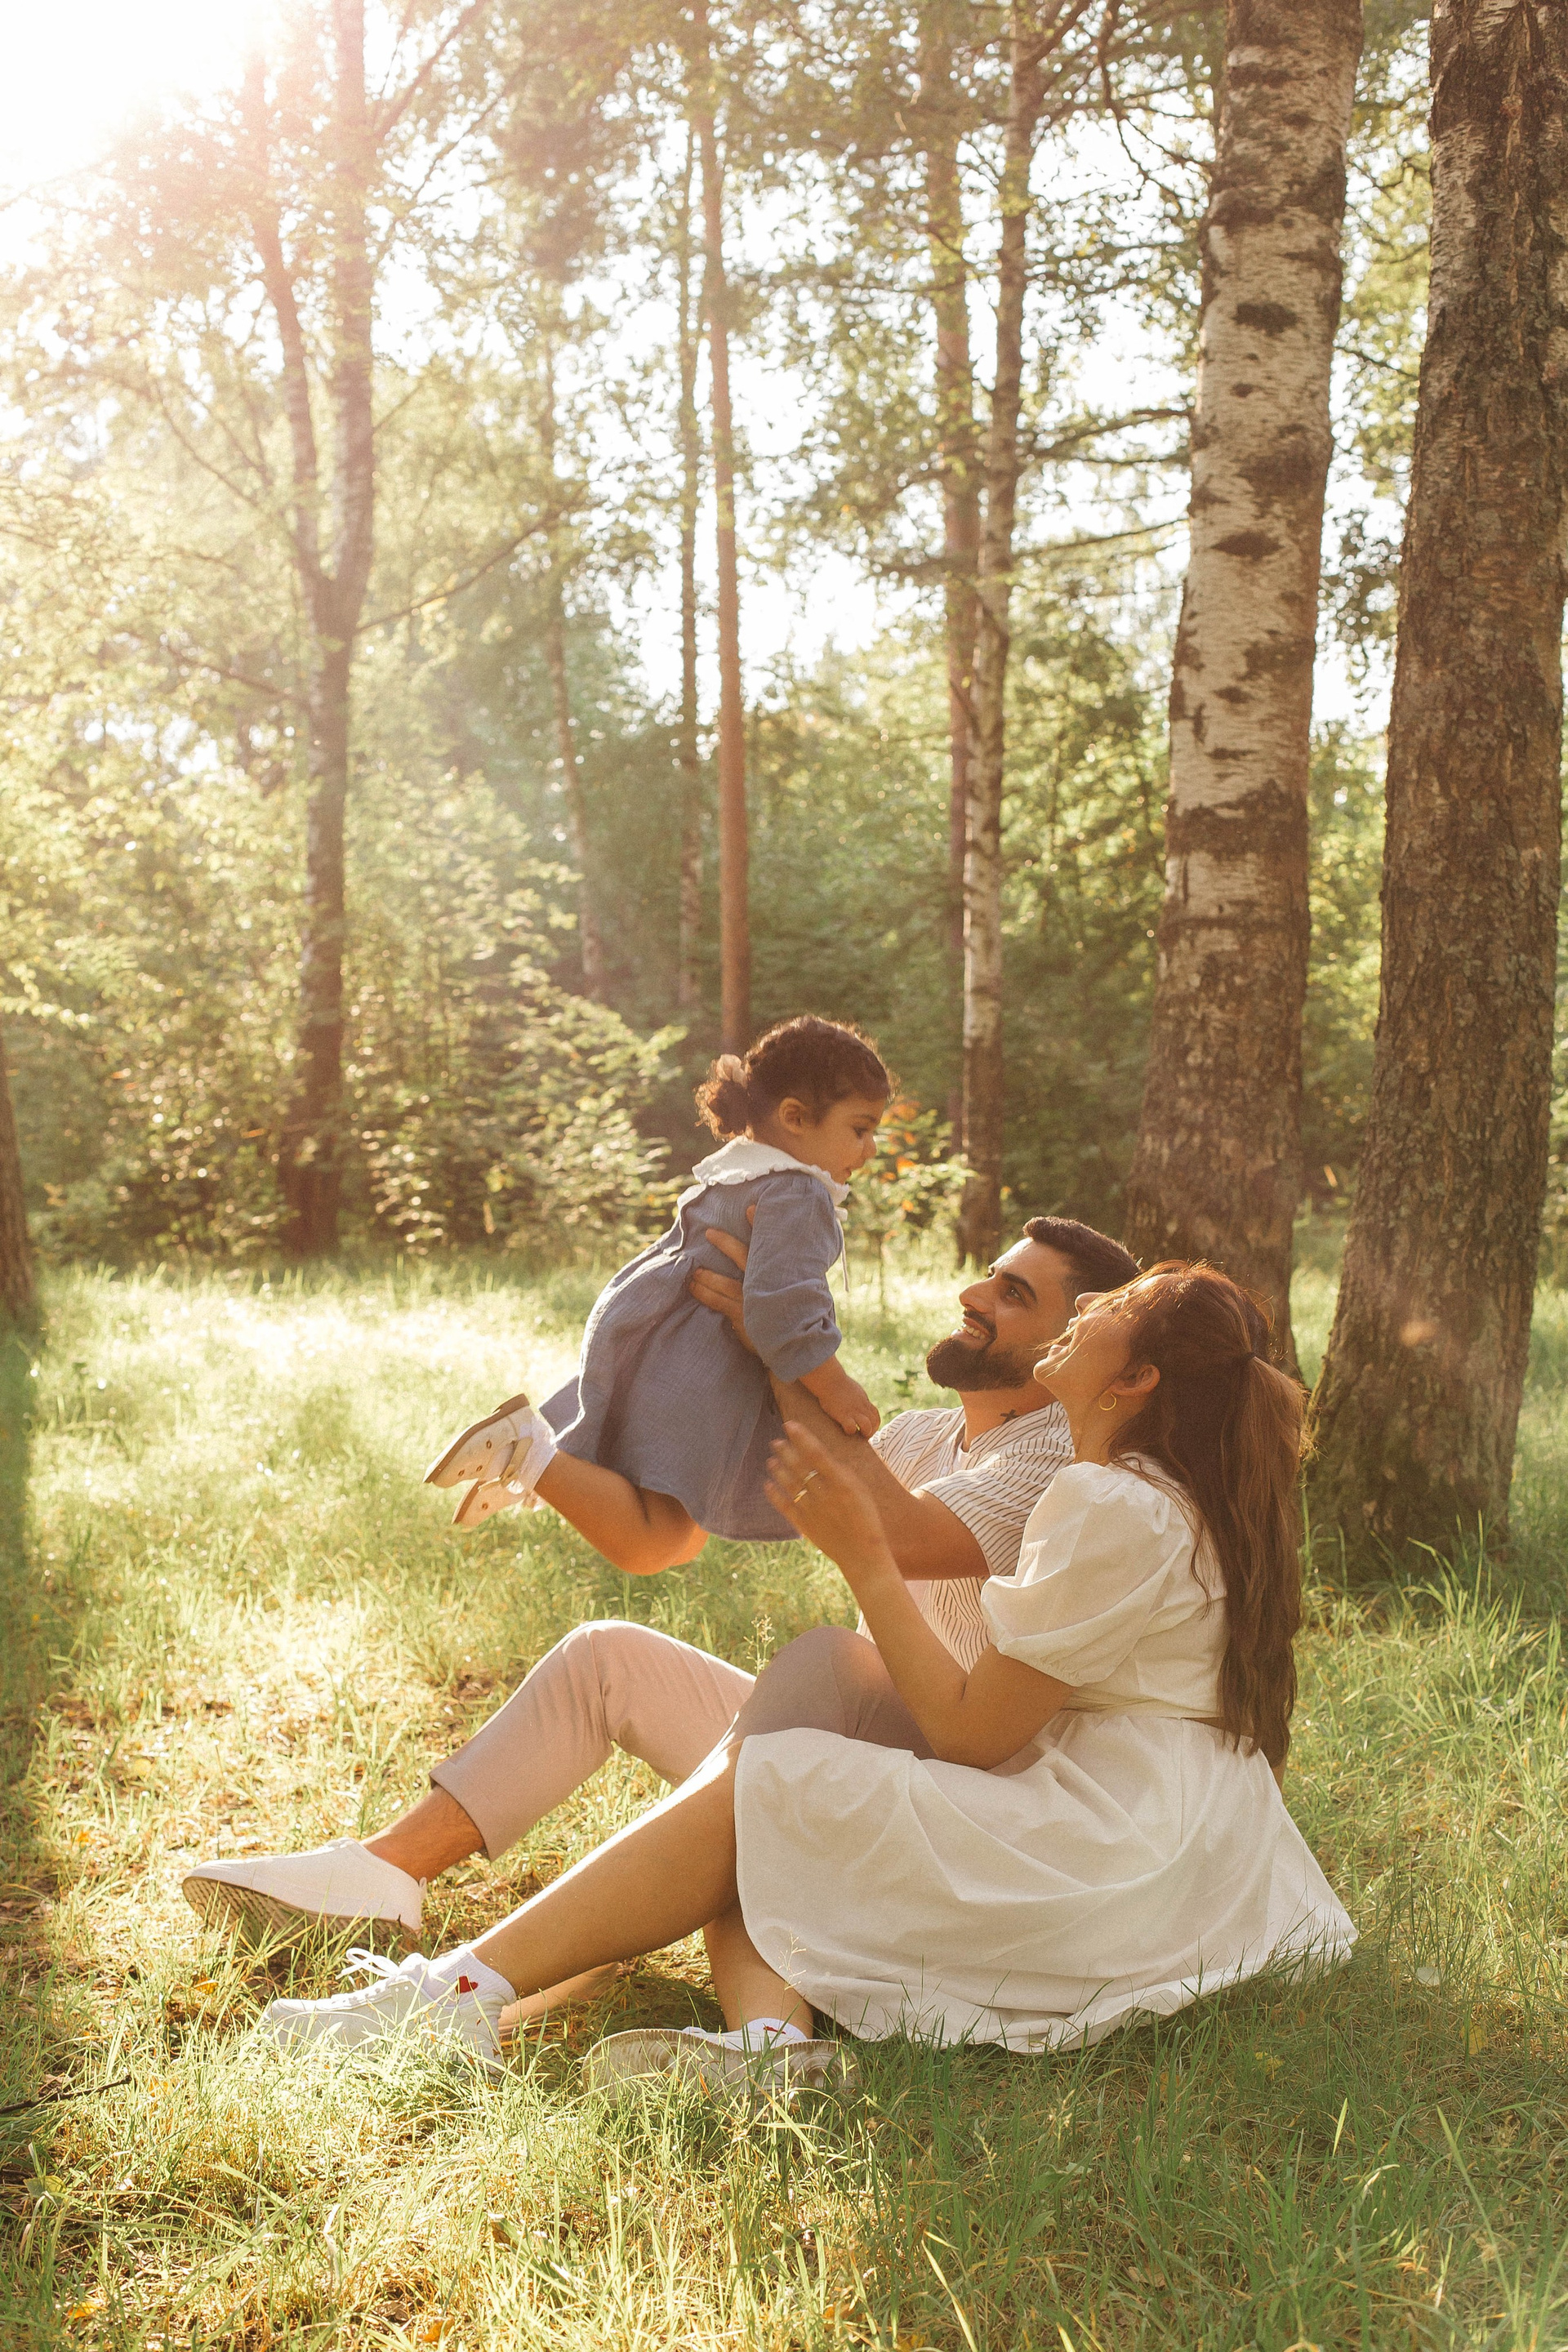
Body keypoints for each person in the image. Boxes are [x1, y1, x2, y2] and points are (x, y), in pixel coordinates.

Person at [250, 1263, 1354, 2086]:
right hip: (1139, 1827)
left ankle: (449, 1998)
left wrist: (866, 1559)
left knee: (777, 1786)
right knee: (801, 1717)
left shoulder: (1104, 1499)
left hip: (1102, 1854)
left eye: (1110, 1307)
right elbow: (813, 1456)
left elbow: (974, 1733)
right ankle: (749, 2044)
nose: (1084, 1312)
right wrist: (763, 1332)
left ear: (1140, 1377)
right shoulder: (1139, 1492)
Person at [181, 1217, 1139, 1959]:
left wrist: (781, 1342)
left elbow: (898, 1534)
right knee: (607, 1658)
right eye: (989, 1273)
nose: (974, 1293)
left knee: (787, 1724)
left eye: (1013, 1294)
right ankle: (383, 1873)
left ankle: (499, 1971)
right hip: (869, 1751)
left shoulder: (1059, 1459)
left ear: (1077, 1344)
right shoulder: (925, 1436)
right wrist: (726, 1340)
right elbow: (773, 1483)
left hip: (957, 1811)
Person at [425, 1016, 890, 1556]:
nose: (870, 1149)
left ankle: (542, 1466)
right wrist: (835, 1385)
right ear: (795, 1117)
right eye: (860, 1129)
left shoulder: (743, 1174)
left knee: (682, 1538)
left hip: (664, 1344)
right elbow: (783, 1311)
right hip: (698, 1363)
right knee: (655, 1543)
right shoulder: (797, 1194)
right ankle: (529, 1456)